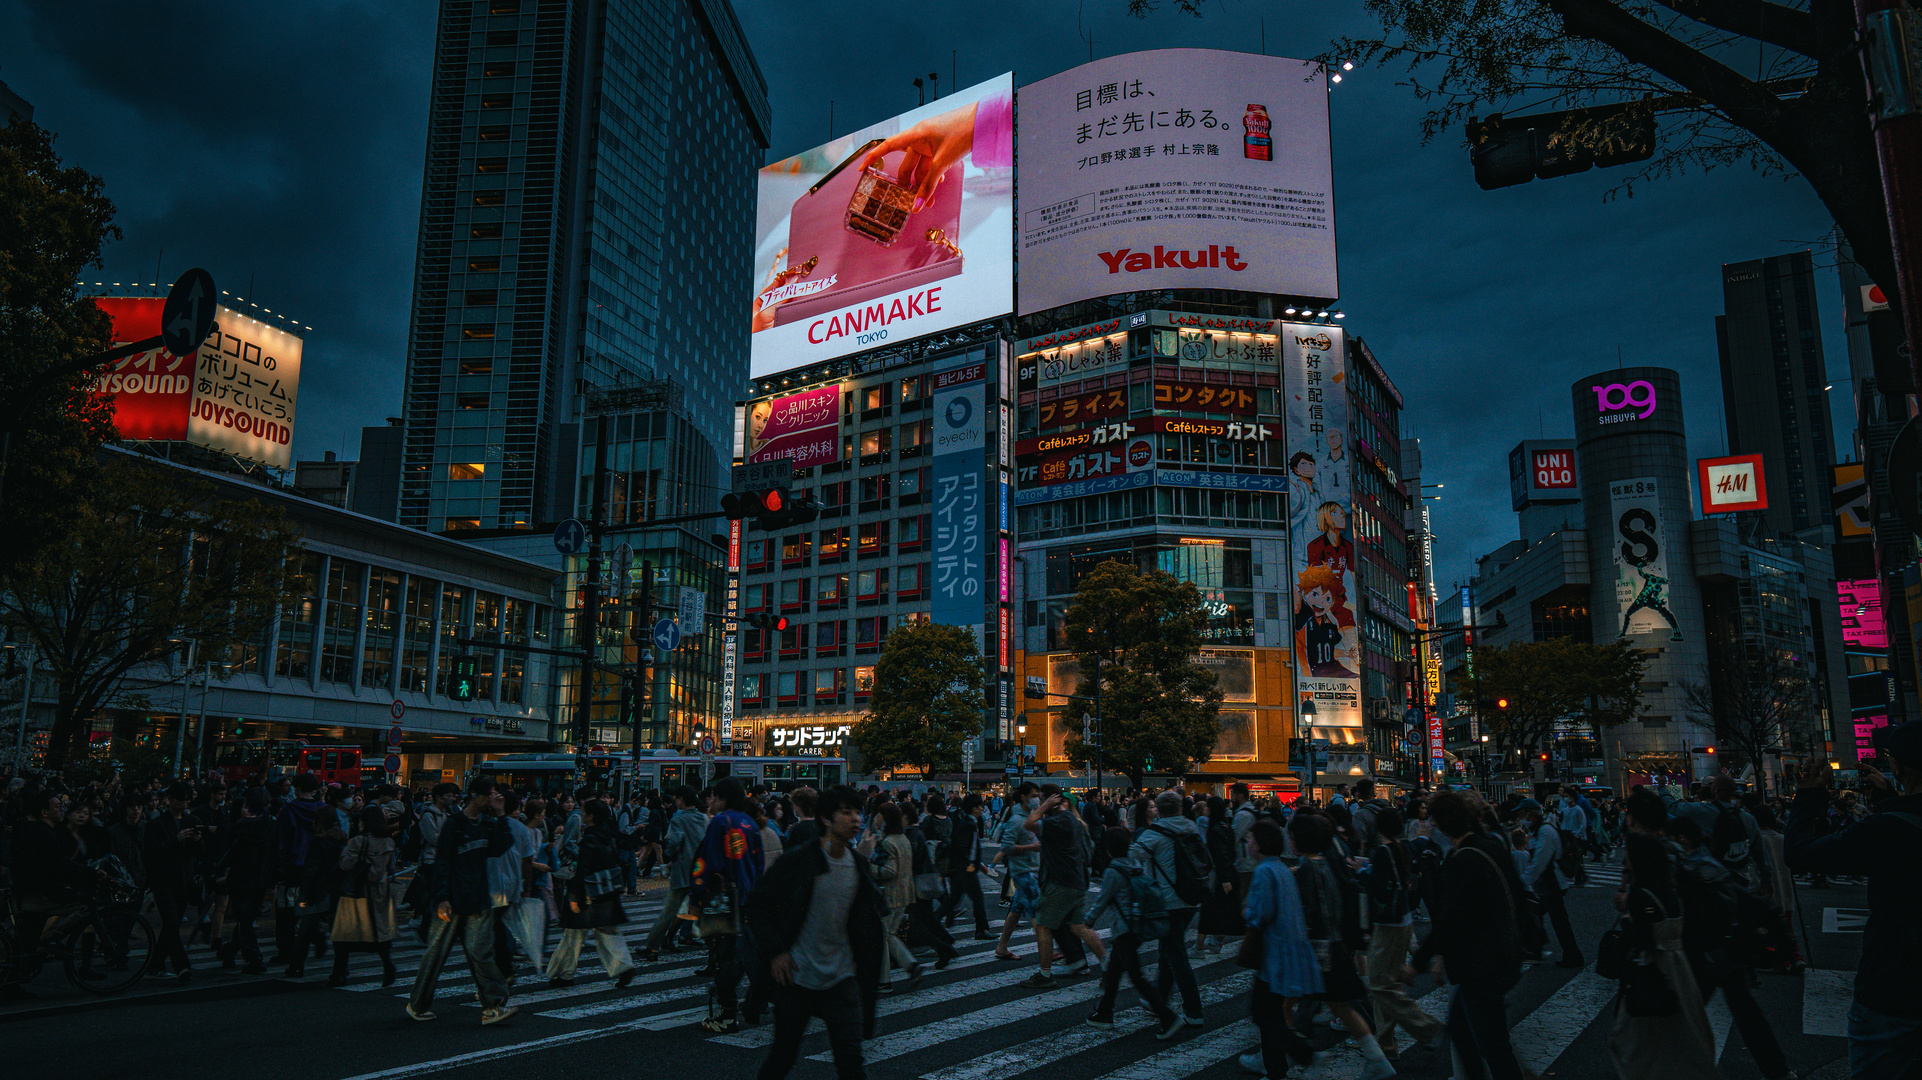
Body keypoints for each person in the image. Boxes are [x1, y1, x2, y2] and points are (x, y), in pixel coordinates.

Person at [1784, 721, 1922, 1079]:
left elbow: (1800, 853)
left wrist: (1808, 795)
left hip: (1896, 989)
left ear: (1901, 767)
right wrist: (1892, 799)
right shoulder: (1892, 822)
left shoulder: (1886, 830)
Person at [744, 786, 885, 1080]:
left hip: (841, 978)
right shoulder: (800, 860)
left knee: (851, 1063)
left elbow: (868, 923)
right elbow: (757, 903)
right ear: (826, 819)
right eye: (846, 812)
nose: (856, 819)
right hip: (797, 976)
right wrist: (776, 952)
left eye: (858, 812)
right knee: (783, 1056)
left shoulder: (858, 865)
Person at [1663, 814, 1793, 1080]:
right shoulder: (1707, 861)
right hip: (1729, 949)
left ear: (1682, 839)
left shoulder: (1695, 867)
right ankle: (1778, 1070)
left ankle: (1677, 1069)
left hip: (1711, 952)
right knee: (1747, 1013)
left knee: (1684, 1013)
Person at [1413, 790, 1526, 1080]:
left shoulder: (1460, 860)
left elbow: (1449, 921)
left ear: (1442, 824)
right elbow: (1516, 894)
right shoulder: (1491, 845)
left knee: (1493, 1046)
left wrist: (1418, 963)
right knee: (1465, 1032)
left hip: (1482, 963)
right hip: (1505, 953)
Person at [1290, 811, 1397, 1077]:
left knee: (1281, 1004)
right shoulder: (1327, 863)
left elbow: (1307, 913)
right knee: (1340, 1005)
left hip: (1317, 950)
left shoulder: (1305, 870)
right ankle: (1376, 1058)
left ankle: (1305, 1057)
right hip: (1336, 945)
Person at [1607, 832, 1721, 1079]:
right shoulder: (1671, 889)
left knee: (1638, 1039)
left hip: (1652, 968)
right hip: (1679, 967)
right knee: (1685, 1029)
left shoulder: (1640, 896)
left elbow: (1641, 937)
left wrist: (1625, 906)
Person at [407, 779, 516, 1025]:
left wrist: (501, 815)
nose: (493, 800)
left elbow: (500, 847)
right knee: (436, 953)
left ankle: (493, 1006)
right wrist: (443, 897)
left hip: (478, 899)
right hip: (452, 899)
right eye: (490, 796)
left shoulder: (488, 824)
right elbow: (442, 862)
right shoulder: (454, 825)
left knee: (481, 954)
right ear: (476, 796)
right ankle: (418, 1004)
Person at [1239, 818, 1326, 1078]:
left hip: (1274, 953)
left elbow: (1260, 914)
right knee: (1269, 1013)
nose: (1248, 844)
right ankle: (1277, 1067)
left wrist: (1246, 913)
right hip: (1285, 950)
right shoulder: (1280, 867)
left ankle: (1302, 1056)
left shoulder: (1265, 871)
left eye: (1251, 839)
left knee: (1265, 1014)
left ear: (1261, 843)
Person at [1359, 806, 1446, 1060]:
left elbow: (1379, 888)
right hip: (1404, 920)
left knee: (1378, 984)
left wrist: (1362, 872)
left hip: (1388, 925)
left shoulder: (1383, 851)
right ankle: (1386, 1044)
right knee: (1389, 983)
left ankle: (1426, 1027)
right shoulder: (1403, 848)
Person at [692, 779, 764, 1032]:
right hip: (747, 896)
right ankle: (744, 1003)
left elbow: (708, 861)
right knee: (740, 952)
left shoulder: (721, 822)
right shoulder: (749, 823)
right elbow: (759, 864)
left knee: (723, 956)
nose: (709, 802)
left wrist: (697, 893)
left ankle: (727, 1012)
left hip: (723, 899)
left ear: (722, 799)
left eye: (712, 797)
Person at [1131, 789, 1205, 1026]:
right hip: (1192, 897)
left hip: (1169, 899)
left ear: (1159, 810)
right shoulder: (1191, 827)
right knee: (1168, 949)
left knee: (1176, 955)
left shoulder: (1155, 834)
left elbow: (1133, 859)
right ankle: (1159, 999)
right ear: (1181, 808)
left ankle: (1194, 1010)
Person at [1021, 784, 1106, 988]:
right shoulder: (1072, 820)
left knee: (1042, 925)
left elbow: (1029, 824)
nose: (1039, 804)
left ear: (1054, 800)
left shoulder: (1059, 820)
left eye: (1042, 800)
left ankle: (1045, 974)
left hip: (1060, 881)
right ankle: (1108, 964)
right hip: (1076, 880)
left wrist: (1044, 807)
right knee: (1078, 926)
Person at [547, 799, 637, 989]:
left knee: (572, 934)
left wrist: (574, 896)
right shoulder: (608, 834)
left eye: (584, 811)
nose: (582, 814)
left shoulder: (590, 837)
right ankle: (623, 966)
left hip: (586, 891)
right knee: (606, 932)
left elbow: (583, 868)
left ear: (591, 816)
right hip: (606, 890)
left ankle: (564, 973)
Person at [330, 805, 399, 987]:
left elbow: (346, 865)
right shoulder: (389, 842)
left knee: (344, 935)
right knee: (380, 932)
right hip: (380, 892)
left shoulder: (358, 841)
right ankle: (388, 966)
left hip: (356, 893)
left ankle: (339, 973)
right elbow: (391, 868)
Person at [145, 783, 205, 982]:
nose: (184, 805)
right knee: (171, 922)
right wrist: (176, 840)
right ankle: (182, 966)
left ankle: (155, 964)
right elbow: (152, 852)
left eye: (187, 801)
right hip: (164, 881)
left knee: (172, 926)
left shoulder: (192, 820)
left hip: (184, 880)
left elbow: (198, 854)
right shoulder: (157, 824)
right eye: (180, 801)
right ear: (170, 800)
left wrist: (196, 840)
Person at [214, 789, 277, 975]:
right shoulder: (271, 827)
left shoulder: (241, 827)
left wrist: (219, 870)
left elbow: (231, 853)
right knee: (247, 918)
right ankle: (231, 952)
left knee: (245, 918)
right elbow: (275, 854)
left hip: (241, 877)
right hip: (261, 878)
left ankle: (253, 958)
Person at [861, 801, 922, 990]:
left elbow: (889, 870)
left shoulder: (887, 842)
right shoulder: (902, 838)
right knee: (889, 934)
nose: (876, 819)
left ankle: (884, 979)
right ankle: (910, 965)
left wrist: (867, 867)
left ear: (885, 819)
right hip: (905, 893)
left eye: (879, 815)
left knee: (882, 936)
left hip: (889, 894)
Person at [641, 786, 707, 961]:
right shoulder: (703, 818)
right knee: (700, 910)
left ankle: (652, 947)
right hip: (700, 872)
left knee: (668, 912)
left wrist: (668, 855)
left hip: (682, 871)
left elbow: (675, 843)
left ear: (681, 800)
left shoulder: (678, 819)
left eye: (677, 798)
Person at [1519, 799, 1583, 968]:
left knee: (1558, 922)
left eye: (1523, 813)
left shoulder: (1545, 831)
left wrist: (1523, 880)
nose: (1521, 817)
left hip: (1552, 884)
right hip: (1547, 884)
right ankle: (1537, 948)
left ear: (1531, 813)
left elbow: (1540, 861)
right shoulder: (1538, 831)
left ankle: (1572, 955)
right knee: (1540, 915)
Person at [992, 782, 1043, 961]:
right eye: (1034, 795)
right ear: (1024, 797)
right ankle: (1047, 951)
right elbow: (1006, 846)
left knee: (1016, 910)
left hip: (1029, 869)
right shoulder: (1016, 820)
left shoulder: (1030, 817)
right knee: (1038, 913)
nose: (1037, 799)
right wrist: (1031, 848)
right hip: (1023, 871)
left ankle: (1002, 947)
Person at [937, 793, 993, 938]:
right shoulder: (968, 824)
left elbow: (968, 847)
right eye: (980, 806)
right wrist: (970, 865)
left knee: (953, 899)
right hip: (966, 869)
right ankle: (981, 930)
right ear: (974, 808)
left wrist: (977, 863)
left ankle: (933, 921)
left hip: (962, 868)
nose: (982, 809)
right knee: (978, 898)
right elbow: (964, 847)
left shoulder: (967, 822)